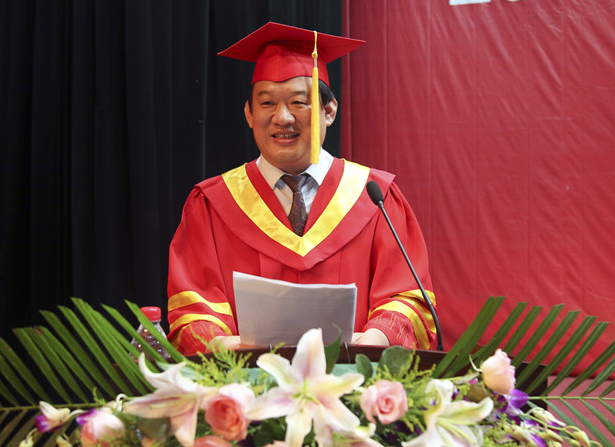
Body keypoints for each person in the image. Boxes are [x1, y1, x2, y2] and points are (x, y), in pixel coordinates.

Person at [166, 22, 438, 355]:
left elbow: (406, 297)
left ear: (329, 111)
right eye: (267, 103)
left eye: (298, 102)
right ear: (249, 114)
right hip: (245, 383)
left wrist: (375, 342)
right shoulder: (211, 204)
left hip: (354, 378)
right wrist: (224, 345)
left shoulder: (374, 197)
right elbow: (194, 306)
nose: (282, 118)